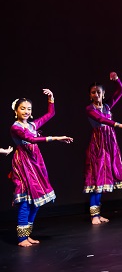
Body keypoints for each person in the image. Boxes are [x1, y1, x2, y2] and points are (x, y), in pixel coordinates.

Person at [10, 89, 74, 247]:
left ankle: (27, 234)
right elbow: (30, 139)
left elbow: (50, 114)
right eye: (22, 108)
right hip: (23, 165)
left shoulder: (31, 124)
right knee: (25, 200)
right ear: (16, 110)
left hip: (35, 164)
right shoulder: (16, 128)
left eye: (29, 109)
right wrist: (56, 138)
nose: (26, 111)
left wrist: (51, 98)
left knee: (36, 201)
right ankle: (21, 239)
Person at [85, 72, 122, 224]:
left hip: (110, 142)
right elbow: (101, 119)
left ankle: (98, 214)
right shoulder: (89, 109)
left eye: (99, 92)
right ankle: (94, 215)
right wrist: (120, 125)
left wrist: (116, 80)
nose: (96, 95)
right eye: (93, 92)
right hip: (98, 144)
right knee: (96, 177)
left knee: (103, 178)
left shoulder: (107, 106)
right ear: (90, 95)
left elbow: (121, 91)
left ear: (103, 93)